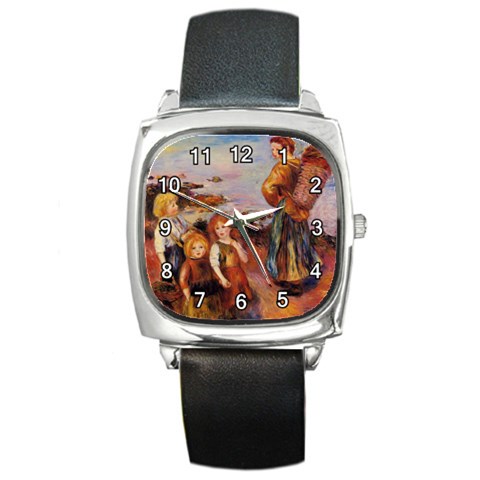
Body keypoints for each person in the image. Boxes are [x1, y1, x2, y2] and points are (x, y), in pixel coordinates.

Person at [261, 136, 320, 295]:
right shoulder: (301, 165)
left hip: (286, 210)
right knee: (298, 242)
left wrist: (278, 199)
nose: (273, 153)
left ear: (286, 149)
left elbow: (267, 188)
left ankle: (293, 281)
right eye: (272, 149)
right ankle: (293, 277)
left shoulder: (281, 167)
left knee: (286, 244)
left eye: (276, 149)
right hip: (299, 210)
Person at [208, 214, 253, 318]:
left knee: (243, 296)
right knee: (228, 299)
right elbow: (214, 265)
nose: (220, 230)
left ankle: (243, 316)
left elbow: (245, 260)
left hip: (239, 275)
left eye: (223, 227)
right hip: (226, 275)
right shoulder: (216, 246)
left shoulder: (235, 242)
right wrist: (222, 279)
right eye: (217, 228)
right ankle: (229, 317)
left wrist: (237, 248)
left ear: (230, 228)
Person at [179, 232, 223, 319]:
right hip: (197, 292)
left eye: (201, 247)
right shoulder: (189, 263)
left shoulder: (206, 261)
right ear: (188, 249)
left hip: (210, 291)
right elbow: (183, 279)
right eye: (193, 248)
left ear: (205, 247)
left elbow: (212, 272)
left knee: (213, 312)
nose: (197, 250)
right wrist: (187, 293)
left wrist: (219, 279)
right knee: (198, 313)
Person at [152, 192, 189, 284]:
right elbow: (160, 249)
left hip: (185, 249)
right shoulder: (162, 227)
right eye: (173, 205)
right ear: (163, 209)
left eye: (175, 204)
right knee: (179, 274)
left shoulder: (178, 218)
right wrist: (165, 267)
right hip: (174, 255)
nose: (176, 206)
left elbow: (186, 228)